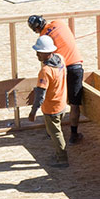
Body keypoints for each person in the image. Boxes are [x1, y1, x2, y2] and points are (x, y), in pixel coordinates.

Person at [27, 15, 85, 144]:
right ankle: (74, 135)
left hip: (60, 68)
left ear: (35, 29)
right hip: (76, 66)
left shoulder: (43, 39)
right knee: (75, 104)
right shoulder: (59, 22)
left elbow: (46, 60)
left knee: (56, 96)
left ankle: (52, 131)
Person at [27, 36, 69, 167]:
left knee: (55, 133)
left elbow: (40, 94)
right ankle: (59, 153)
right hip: (62, 103)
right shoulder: (60, 59)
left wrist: (33, 111)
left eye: (38, 52)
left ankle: (62, 159)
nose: (37, 54)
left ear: (45, 53)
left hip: (52, 108)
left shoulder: (45, 71)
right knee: (57, 130)